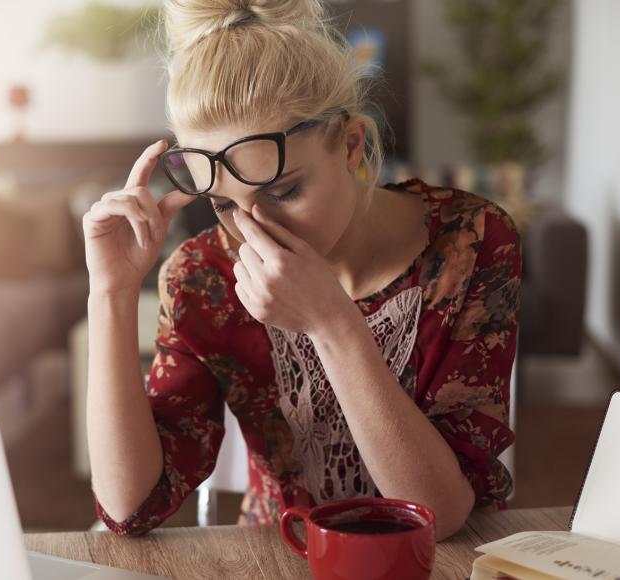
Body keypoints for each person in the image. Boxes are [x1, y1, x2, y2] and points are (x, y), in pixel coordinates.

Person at [82, 0, 520, 542]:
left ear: (353, 145)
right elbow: (129, 508)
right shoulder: (204, 276)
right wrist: (112, 292)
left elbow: (440, 514)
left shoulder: (470, 242)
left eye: (284, 191)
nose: (255, 230)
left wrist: (332, 323)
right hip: (281, 555)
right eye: (224, 204)